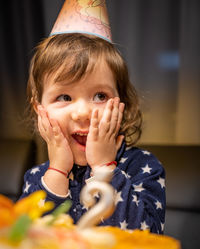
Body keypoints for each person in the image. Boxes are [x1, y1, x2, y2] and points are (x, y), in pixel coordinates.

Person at [20, 33, 165, 233]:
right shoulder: (37, 177)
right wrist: (57, 173)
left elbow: (147, 240)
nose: (82, 113)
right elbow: (27, 244)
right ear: (40, 111)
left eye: (100, 96)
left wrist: (104, 169)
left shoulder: (143, 166)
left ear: (122, 106)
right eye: (64, 96)